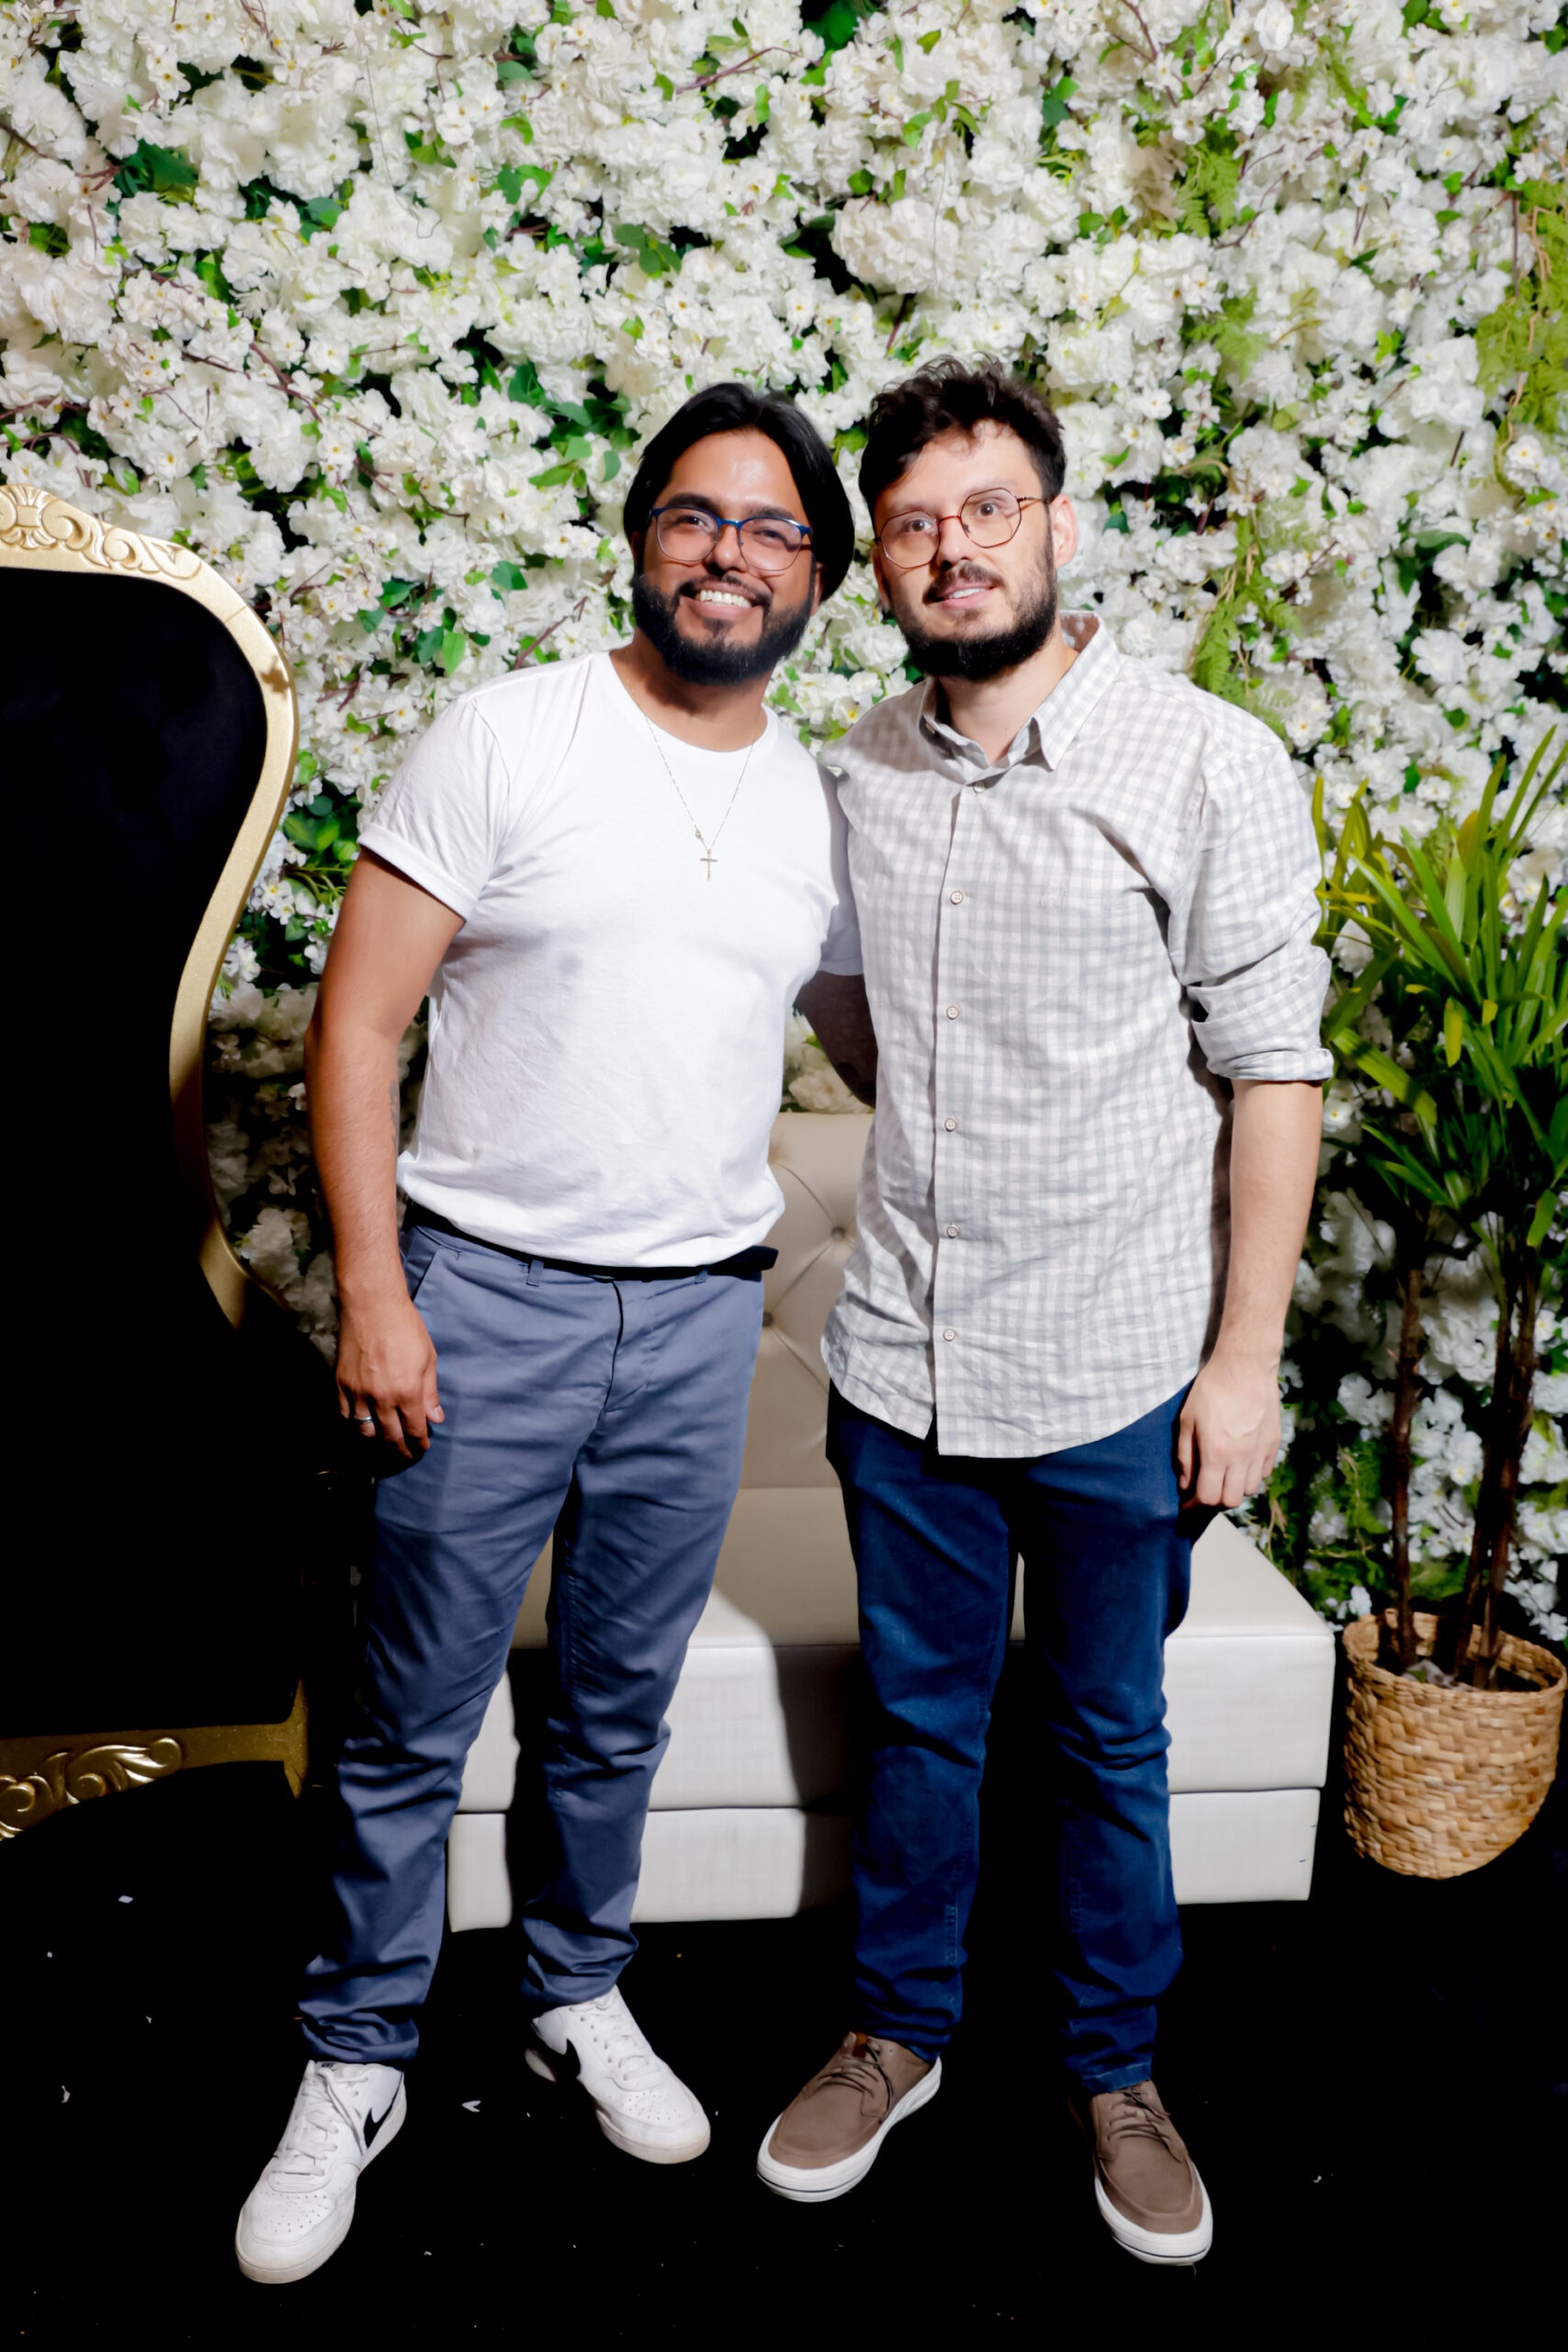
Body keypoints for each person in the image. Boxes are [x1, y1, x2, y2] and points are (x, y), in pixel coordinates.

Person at [237, 382, 867, 2286]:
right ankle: (357, 2053)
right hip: (483, 1297)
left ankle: (576, 1989)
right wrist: (377, 1294)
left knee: (614, 1704)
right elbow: (358, 1026)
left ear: (818, 578)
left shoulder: (824, 806)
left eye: (772, 530)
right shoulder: (509, 732)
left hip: (700, 1318)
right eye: (696, 515)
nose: (729, 555)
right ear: (640, 536)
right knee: (410, 1713)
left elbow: (888, 1048)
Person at [757, 360, 1330, 2267]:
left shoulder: (1204, 759)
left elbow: (1272, 1071)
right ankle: (894, 2030)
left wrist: (1241, 1362)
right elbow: (849, 1019)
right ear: (881, 561)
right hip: (902, 1360)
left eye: (987, 509)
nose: (952, 548)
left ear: (1059, 525)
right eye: (914, 523)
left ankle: (1115, 2070)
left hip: (1118, 1369)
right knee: (920, 1722)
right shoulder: (855, 769)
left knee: (1102, 1736)